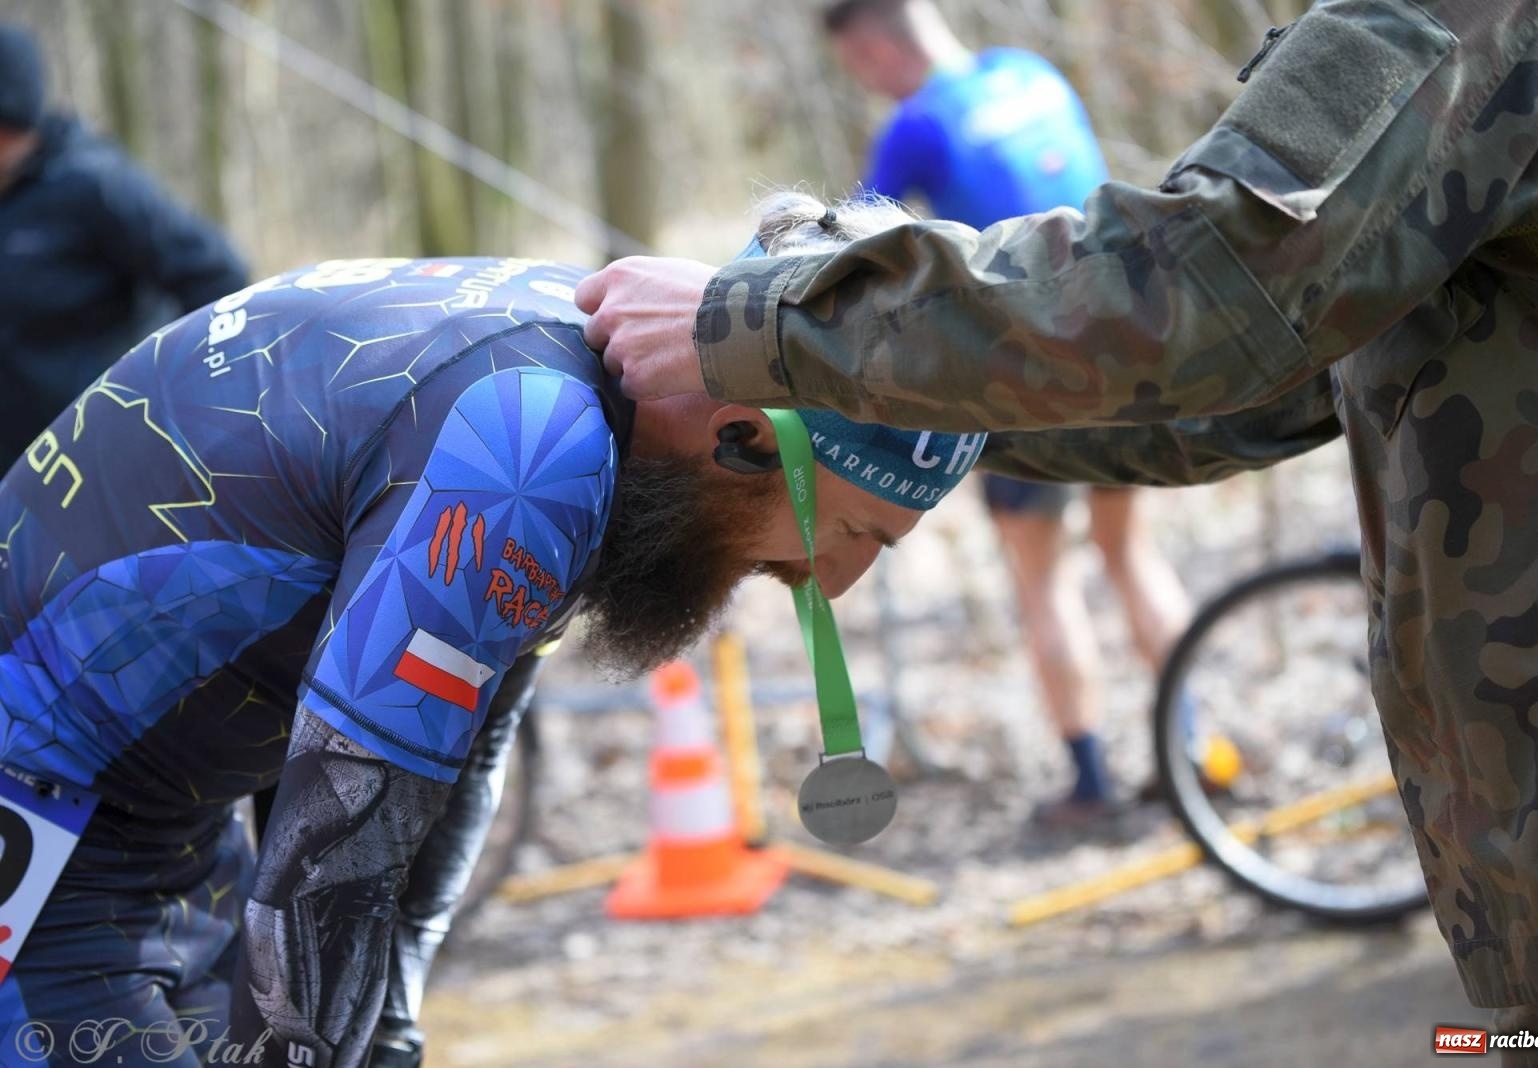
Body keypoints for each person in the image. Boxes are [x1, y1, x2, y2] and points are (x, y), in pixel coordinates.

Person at [577, 2, 1538, 1060]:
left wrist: (770, 318)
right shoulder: (1029, 74)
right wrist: (888, 422)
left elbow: (1212, 283)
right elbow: (1284, 370)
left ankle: (1107, 765)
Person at [0, 194, 984, 1068]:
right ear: (742, 434)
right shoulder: (532, 444)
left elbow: (456, 756)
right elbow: (346, 827)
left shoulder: (598, 393)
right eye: (853, 532)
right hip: (50, 810)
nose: (837, 581)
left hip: (155, 806)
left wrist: (389, 1023)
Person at [825, 0, 1193, 825]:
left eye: (858, 67)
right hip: (1125, 347)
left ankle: (1092, 782)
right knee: (1129, 555)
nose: (866, 82)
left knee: (1042, 577)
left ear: (876, 45)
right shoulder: (1033, 73)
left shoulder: (916, 124)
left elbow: (845, 252)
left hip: (1027, 379)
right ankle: (1192, 756)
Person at [0, 23, 248, 471]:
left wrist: (175, 394)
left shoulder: (95, 184)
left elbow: (217, 276)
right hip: (15, 467)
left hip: (103, 458)